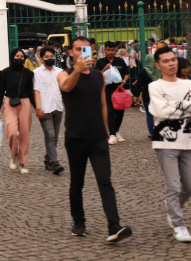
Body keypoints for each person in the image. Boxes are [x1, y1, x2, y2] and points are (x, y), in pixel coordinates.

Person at [57, 37, 132, 242]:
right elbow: (66, 87)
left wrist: (107, 132)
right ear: (71, 53)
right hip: (76, 136)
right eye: (79, 49)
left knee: (105, 181)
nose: (83, 53)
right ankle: (79, 221)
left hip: (98, 137)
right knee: (77, 183)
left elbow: (102, 105)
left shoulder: (99, 76)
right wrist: (78, 70)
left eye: (87, 49)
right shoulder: (64, 73)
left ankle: (114, 226)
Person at [148, 46, 191, 242]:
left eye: (173, 59)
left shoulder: (189, 84)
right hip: (165, 142)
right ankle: (178, 224)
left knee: (190, 187)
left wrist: (172, 105)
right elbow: (160, 112)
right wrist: (185, 107)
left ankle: (172, 206)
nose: (171, 63)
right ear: (158, 65)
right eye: (166, 61)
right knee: (173, 185)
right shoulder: (155, 86)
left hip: (188, 140)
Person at [0, 48, 35, 174]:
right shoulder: (5, 73)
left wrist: (38, 108)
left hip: (25, 103)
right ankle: (14, 155)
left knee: (24, 133)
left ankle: (22, 163)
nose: (20, 58)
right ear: (12, 57)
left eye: (22, 56)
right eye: (17, 56)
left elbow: (31, 91)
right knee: (13, 132)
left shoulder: (28, 73)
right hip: (10, 102)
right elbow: (0, 90)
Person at [33, 47, 64, 174]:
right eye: (47, 56)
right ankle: (54, 162)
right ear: (42, 58)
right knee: (50, 135)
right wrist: (38, 108)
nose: (50, 58)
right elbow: (36, 90)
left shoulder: (61, 72)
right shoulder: (37, 73)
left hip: (58, 107)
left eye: (52, 56)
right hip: (44, 109)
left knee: (55, 137)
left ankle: (48, 159)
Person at [95, 41, 130, 145]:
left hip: (119, 89)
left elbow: (126, 73)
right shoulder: (101, 62)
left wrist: (123, 82)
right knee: (109, 111)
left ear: (115, 50)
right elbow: (97, 76)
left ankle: (117, 131)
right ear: (104, 50)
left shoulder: (120, 61)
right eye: (108, 50)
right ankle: (112, 135)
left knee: (120, 111)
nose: (110, 52)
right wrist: (105, 69)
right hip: (106, 89)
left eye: (112, 50)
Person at [132, 55, 160, 137]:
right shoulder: (159, 70)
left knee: (149, 114)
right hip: (158, 94)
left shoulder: (143, 71)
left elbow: (139, 84)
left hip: (147, 94)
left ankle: (151, 132)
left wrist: (136, 96)